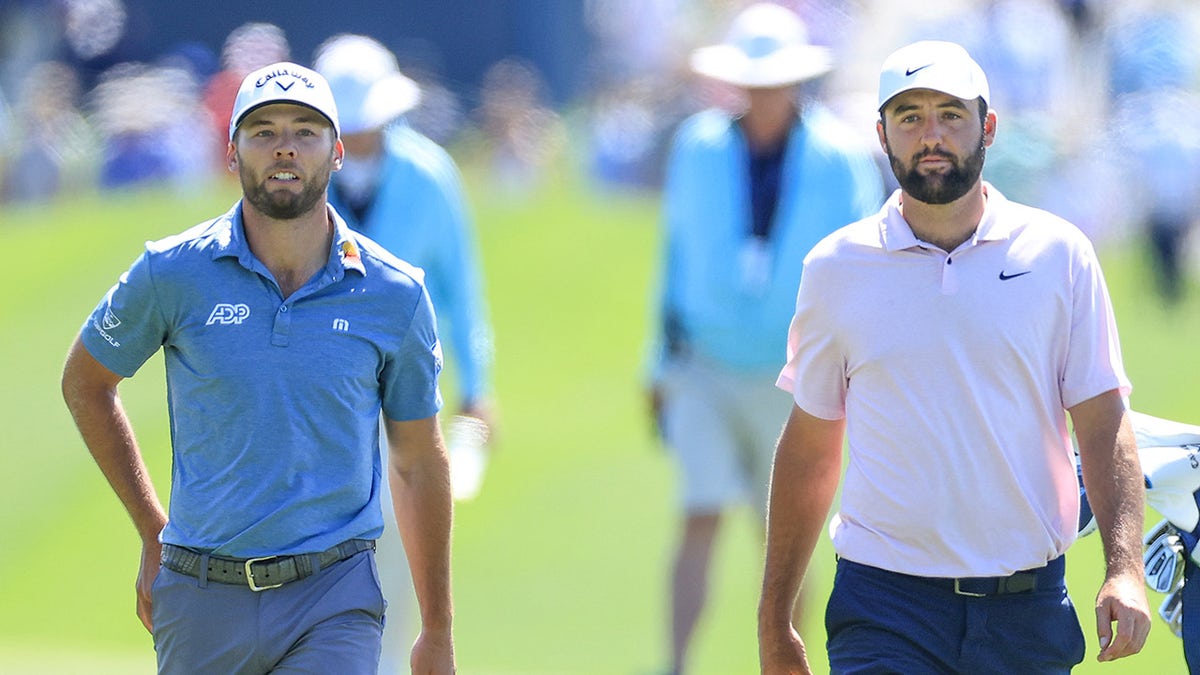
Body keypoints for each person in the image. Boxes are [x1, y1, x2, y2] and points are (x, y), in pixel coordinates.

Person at [757, 40, 1150, 674]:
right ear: (882, 134)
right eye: (909, 116)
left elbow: (1103, 423)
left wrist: (1124, 569)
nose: (930, 135)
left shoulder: (1059, 255)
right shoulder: (836, 269)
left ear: (987, 127)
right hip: (884, 604)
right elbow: (810, 448)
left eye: (950, 115)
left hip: (1025, 610)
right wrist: (775, 623)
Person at [60, 61, 455, 674]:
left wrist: (437, 630)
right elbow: (86, 382)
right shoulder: (171, 272)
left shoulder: (394, 293)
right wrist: (150, 527)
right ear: (232, 150)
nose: (285, 148)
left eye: (305, 130)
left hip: (334, 596)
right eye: (263, 131)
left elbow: (418, 460)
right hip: (200, 594)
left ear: (337, 151)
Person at [646, 5, 883, 673]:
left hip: (797, 374)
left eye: (774, 82)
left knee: (787, 536)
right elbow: (672, 253)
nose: (762, 96)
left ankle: (784, 663)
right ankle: (675, 665)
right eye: (752, 83)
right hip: (703, 364)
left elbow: (863, 266)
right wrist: (656, 362)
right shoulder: (697, 146)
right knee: (698, 514)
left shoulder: (837, 157)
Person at [313, 33, 494, 673]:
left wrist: (481, 389)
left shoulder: (429, 175)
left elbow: (464, 290)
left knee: (398, 543)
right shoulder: (297, 181)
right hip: (318, 396)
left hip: (406, 394)